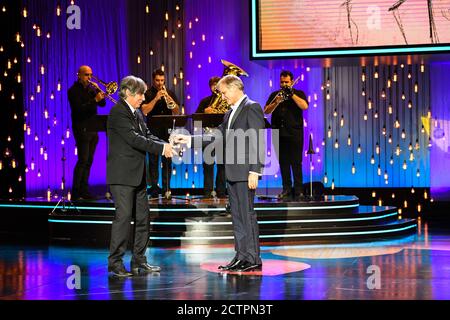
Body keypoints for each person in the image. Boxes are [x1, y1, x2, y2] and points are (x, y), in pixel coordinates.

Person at [173, 75, 266, 272]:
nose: (222, 97)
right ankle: (241, 256)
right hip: (232, 173)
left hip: (245, 172)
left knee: (246, 215)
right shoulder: (229, 113)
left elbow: (258, 140)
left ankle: (253, 258)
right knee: (237, 216)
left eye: (223, 93)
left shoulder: (252, 107)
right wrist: (189, 140)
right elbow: (215, 136)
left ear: (234, 88)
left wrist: (255, 171)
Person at [106, 75, 174, 277]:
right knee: (124, 218)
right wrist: (162, 149)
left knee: (144, 219)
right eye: (140, 94)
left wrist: (166, 143)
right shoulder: (118, 113)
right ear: (127, 93)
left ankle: (139, 261)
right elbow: (134, 140)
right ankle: (115, 263)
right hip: (122, 176)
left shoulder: (136, 113)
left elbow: (147, 135)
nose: (143, 98)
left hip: (137, 176)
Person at [264, 70, 308, 201]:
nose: (284, 84)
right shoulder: (274, 94)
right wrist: (276, 102)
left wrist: (292, 94)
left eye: (286, 82)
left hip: (295, 134)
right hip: (279, 133)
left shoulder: (298, 93)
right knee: (283, 163)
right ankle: (286, 189)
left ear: (291, 82)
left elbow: (304, 106)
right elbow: (266, 111)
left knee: (296, 162)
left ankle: (299, 190)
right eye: (282, 82)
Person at [68, 65, 106, 200]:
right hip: (81, 128)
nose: (89, 78)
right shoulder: (73, 91)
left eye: (90, 75)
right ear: (79, 75)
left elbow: (103, 105)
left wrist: (99, 93)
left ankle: (84, 191)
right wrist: (94, 100)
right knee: (83, 160)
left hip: (93, 128)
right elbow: (79, 109)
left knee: (89, 161)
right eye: (86, 75)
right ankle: (76, 192)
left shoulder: (91, 89)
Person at [141, 68, 180, 198]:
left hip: (167, 132)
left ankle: (166, 188)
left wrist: (168, 98)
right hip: (153, 132)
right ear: (153, 80)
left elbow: (176, 111)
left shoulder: (169, 93)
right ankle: (153, 187)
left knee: (167, 161)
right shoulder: (147, 93)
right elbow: (144, 111)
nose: (160, 83)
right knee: (153, 161)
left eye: (162, 80)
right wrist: (156, 98)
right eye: (157, 80)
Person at [195, 76, 226, 198]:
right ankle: (207, 192)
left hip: (223, 135)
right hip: (208, 135)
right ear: (210, 87)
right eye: (213, 85)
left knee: (222, 165)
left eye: (217, 85)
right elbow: (196, 117)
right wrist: (205, 112)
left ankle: (221, 192)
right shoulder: (205, 101)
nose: (215, 87)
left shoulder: (226, 100)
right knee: (208, 165)